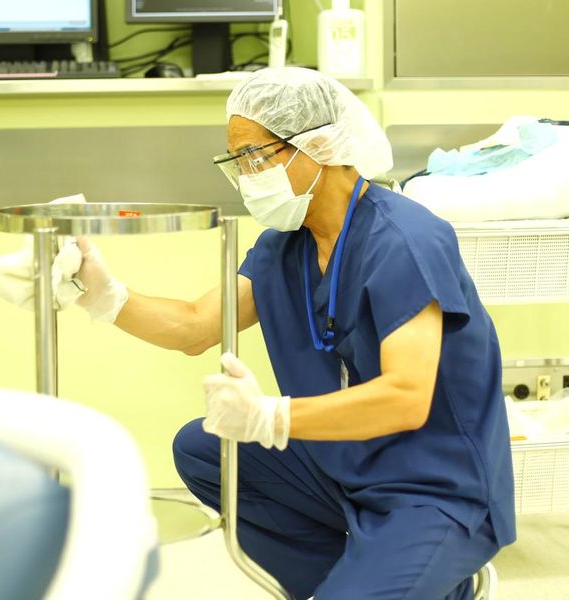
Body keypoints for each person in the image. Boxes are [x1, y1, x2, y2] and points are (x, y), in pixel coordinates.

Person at [69, 67, 516, 599]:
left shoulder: (405, 241)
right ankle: (359, 580)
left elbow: (406, 398)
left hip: (434, 485)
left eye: (254, 157)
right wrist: (101, 293)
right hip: (349, 465)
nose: (246, 176)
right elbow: (193, 326)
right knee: (205, 448)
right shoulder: (285, 247)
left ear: (318, 145)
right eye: (237, 163)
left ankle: (429, 578)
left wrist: (272, 416)